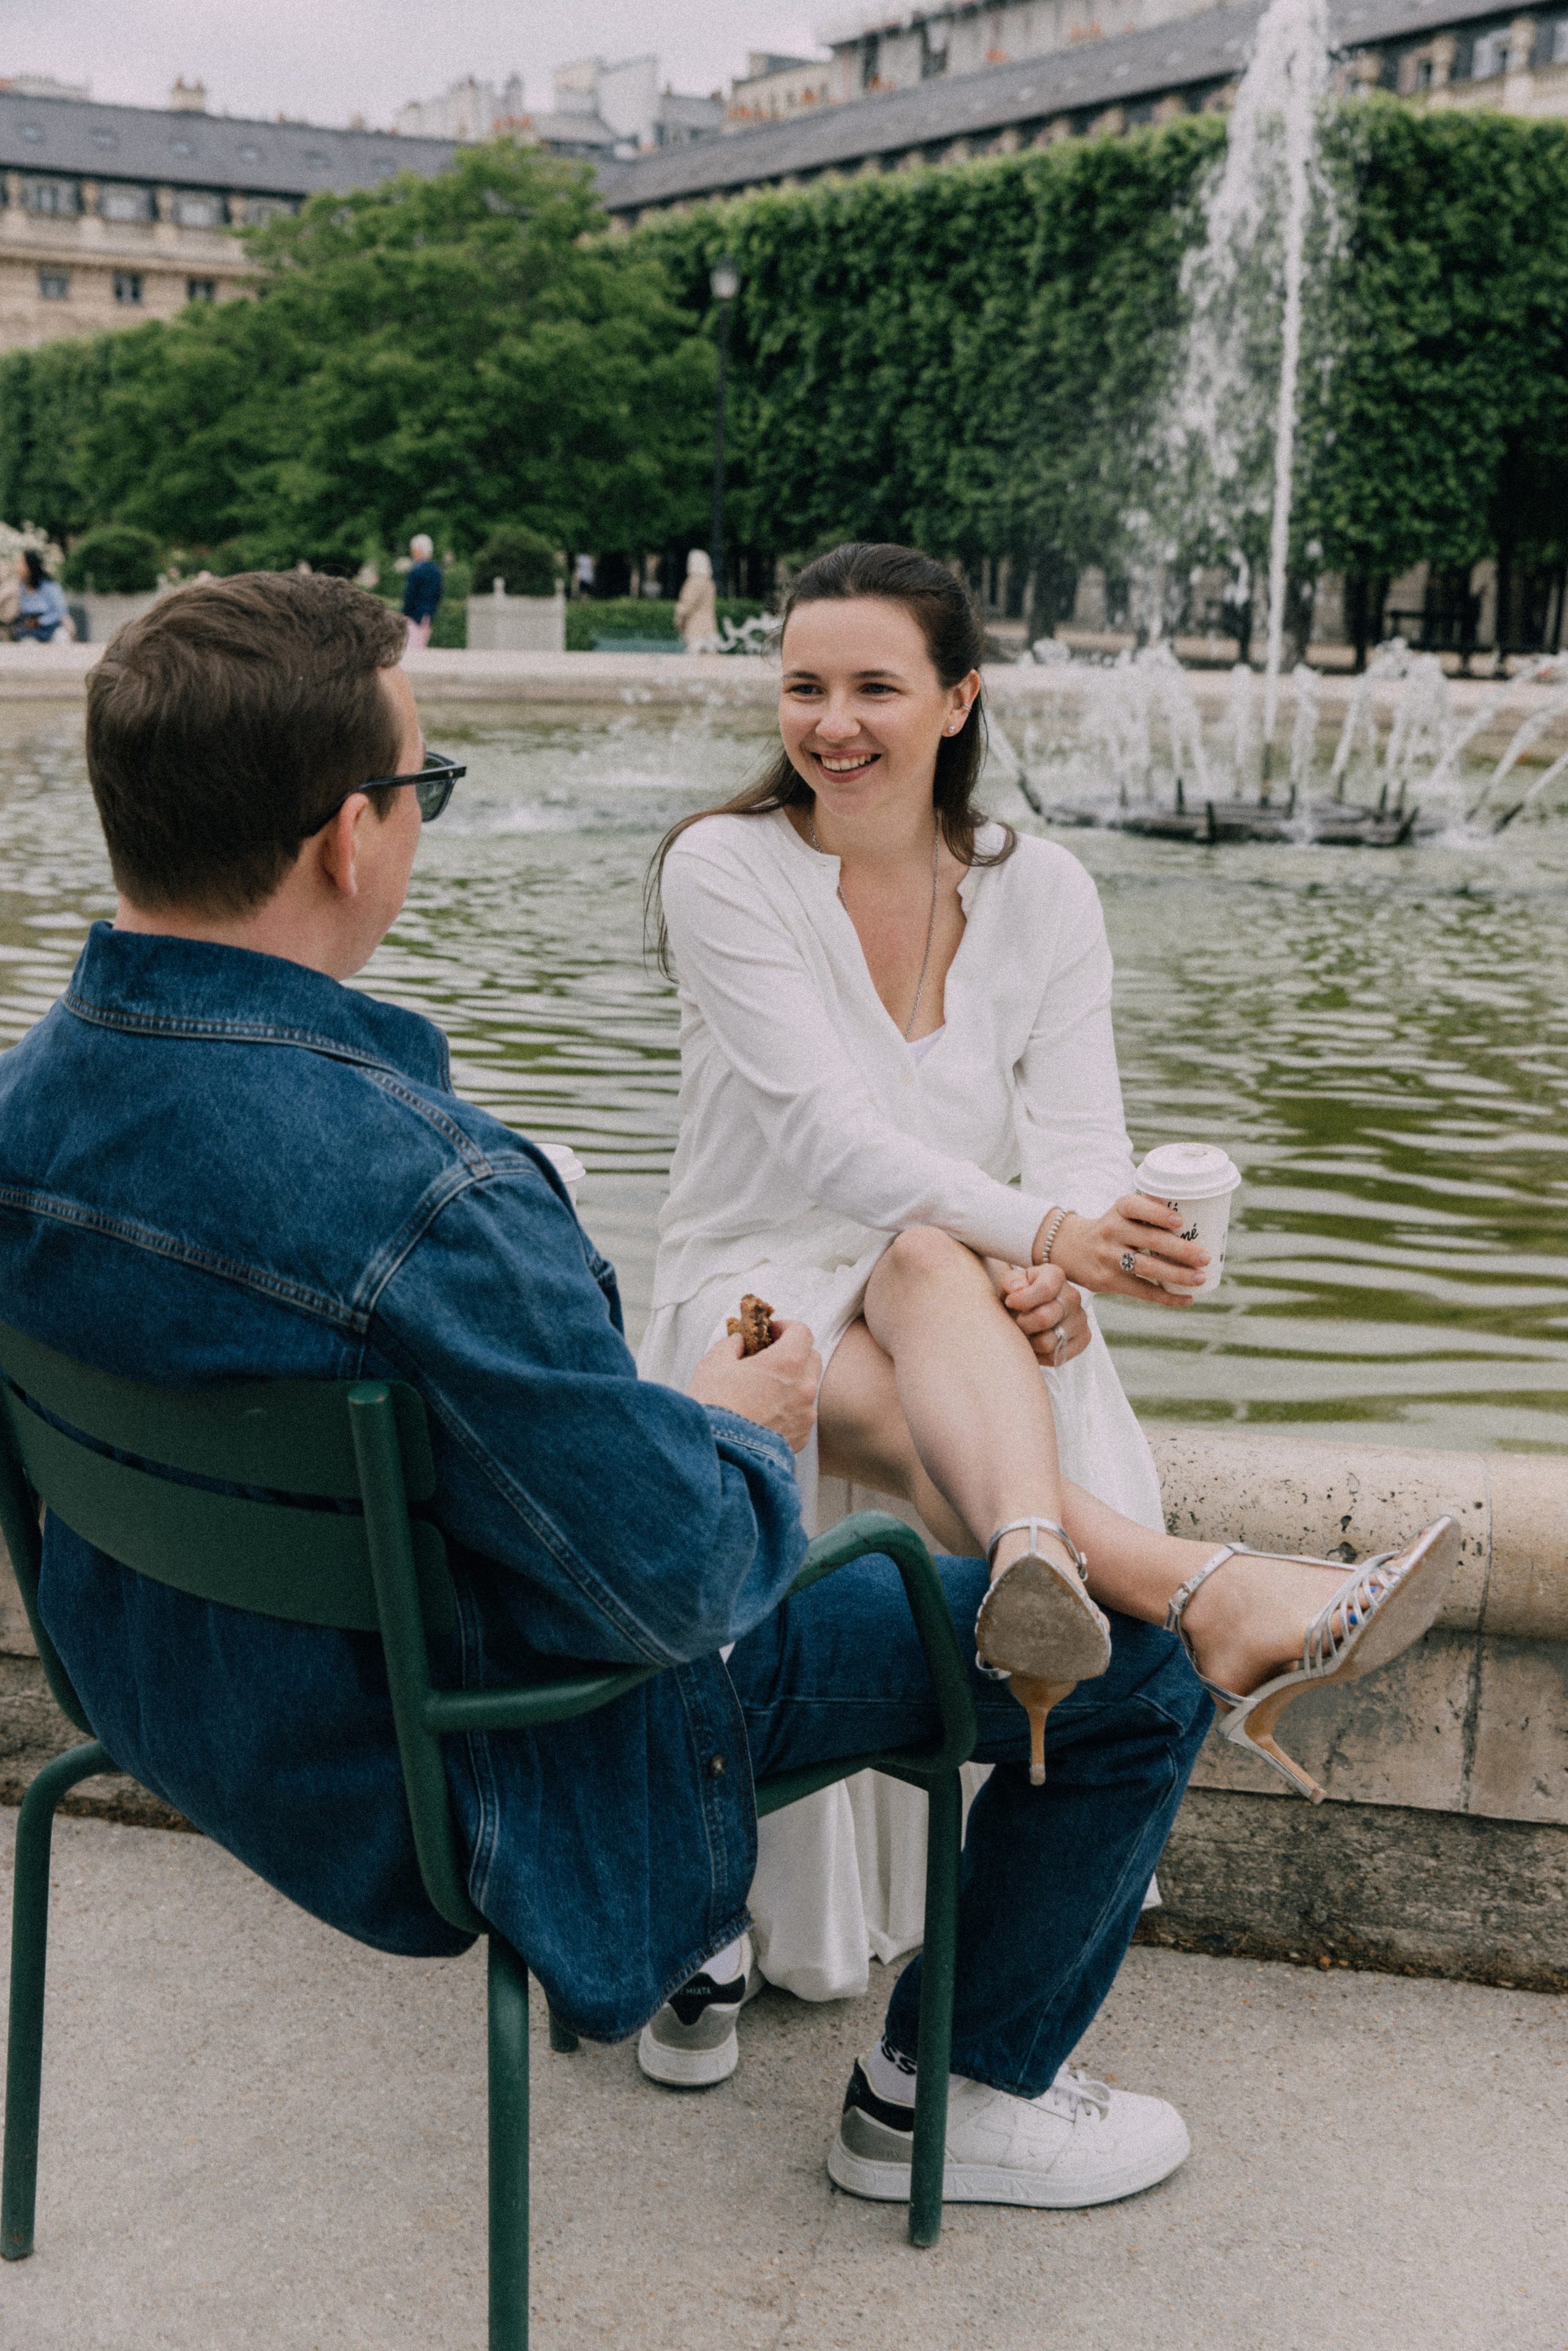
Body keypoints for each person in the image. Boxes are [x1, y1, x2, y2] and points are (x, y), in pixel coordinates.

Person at [0, 569, 1451, 2221]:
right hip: (470, 1767)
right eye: (425, 790)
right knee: (1127, 1675)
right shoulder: (440, 1196)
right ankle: (940, 2097)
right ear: (353, 837)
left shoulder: (20, 1109)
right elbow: (680, 1584)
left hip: (166, 1707)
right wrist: (730, 1416)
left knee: (919, 1298)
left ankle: (1046, 1639)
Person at [635, 541, 1458, 2148]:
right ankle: (1195, 1590)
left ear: (961, 697)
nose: (835, 722)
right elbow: (823, 1148)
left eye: (876, 686)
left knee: (943, 1269)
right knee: (924, 1260)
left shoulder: (1044, 885)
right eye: (805, 685)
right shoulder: (723, 866)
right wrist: (1041, 1235)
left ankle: (1045, 1552)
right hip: (749, 1293)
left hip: (948, 1297)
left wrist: (1078, 1252)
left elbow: (1083, 1139)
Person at [13, 548, 74, 643]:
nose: (16, 567)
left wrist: (40, 621)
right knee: (27, 645)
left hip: (51, 628)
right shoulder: (18, 587)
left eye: (20, 563)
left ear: (30, 565)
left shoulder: (49, 587)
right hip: (30, 632)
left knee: (62, 638)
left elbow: (60, 612)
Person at [401, 532, 442, 650]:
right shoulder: (437, 571)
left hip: (414, 616)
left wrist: (405, 614)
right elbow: (438, 595)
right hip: (428, 615)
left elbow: (410, 595)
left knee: (411, 648)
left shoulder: (416, 571)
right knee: (422, 646)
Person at [674, 546, 718, 652]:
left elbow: (687, 605)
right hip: (710, 627)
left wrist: (678, 616)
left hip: (696, 628)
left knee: (695, 663)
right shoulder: (710, 583)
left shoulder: (693, 582)